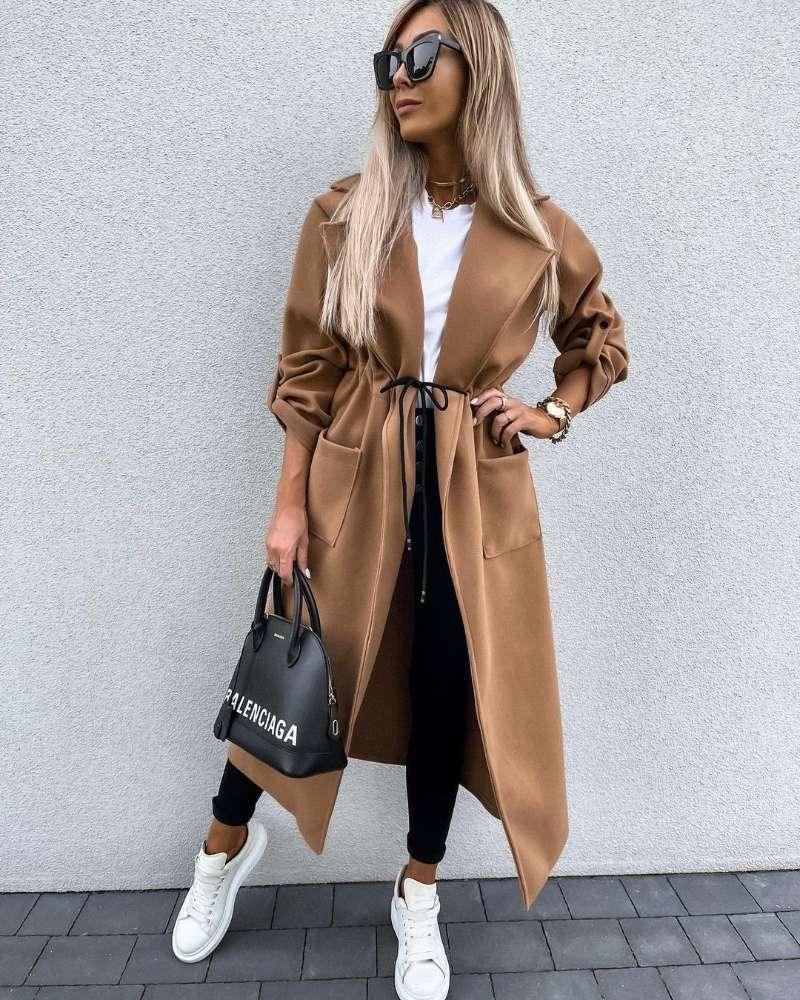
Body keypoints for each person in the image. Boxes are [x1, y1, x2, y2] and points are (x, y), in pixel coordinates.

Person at [173, 3, 629, 998]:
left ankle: (417, 887)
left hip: (473, 495)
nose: (400, 78)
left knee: (445, 682)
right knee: (299, 665)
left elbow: (598, 337)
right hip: (356, 475)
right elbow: (306, 371)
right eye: (389, 60)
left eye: (423, 55)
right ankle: (222, 848)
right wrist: (287, 507)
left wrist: (550, 412)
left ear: (481, 68)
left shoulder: (536, 227)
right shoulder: (346, 214)